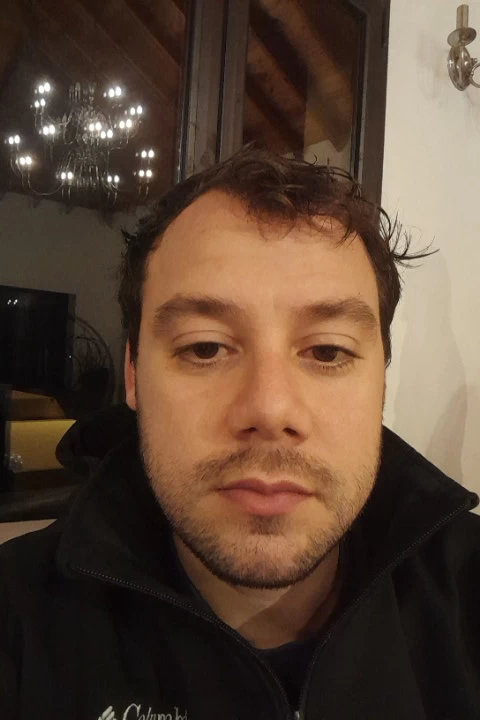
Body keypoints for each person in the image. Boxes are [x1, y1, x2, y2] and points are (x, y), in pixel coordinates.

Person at [0, 148, 479, 720]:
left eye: (328, 352)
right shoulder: (17, 621)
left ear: (381, 380)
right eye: (205, 348)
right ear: (133, 374)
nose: (270, 409)